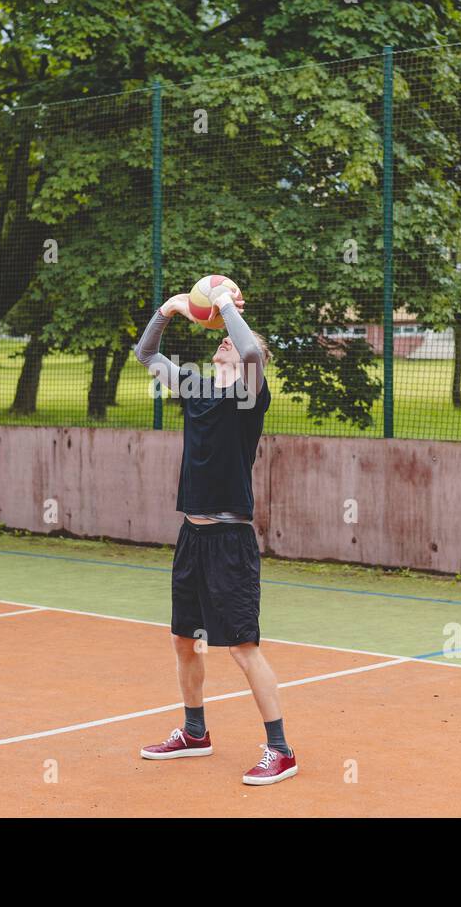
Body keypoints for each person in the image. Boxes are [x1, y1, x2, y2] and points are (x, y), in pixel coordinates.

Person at [132, 284, 297, 786]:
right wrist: (169, 308)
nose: (223, 342)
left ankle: (281, 749)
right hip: (192, 537)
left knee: (242, 646)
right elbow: (145, 353)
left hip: (230, 541)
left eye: (229, 339)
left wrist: (223, 303)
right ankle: (195, 732)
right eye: (219, 339)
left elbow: (249, 349)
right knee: (185, 641)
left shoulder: (249, 395)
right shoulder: (194, 387)